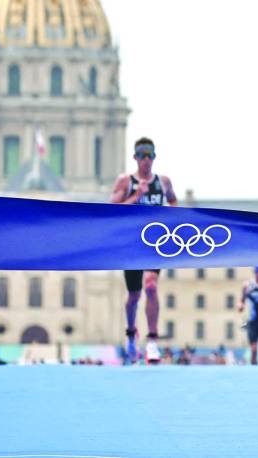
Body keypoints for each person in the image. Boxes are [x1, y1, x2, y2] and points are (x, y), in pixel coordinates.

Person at [110, 137, 178, 364]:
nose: (146, 159)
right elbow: (110, 211)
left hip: (154, 244)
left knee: (150, 286)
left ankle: (152, 341)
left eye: (150, 155)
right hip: (130, 245)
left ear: (155, 157)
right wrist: (136, 196)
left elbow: (174, 205)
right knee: (134, 296)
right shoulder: (125, 182)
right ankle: (131, 333)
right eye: (142, 155)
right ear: (135, 157)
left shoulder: (164, 182)